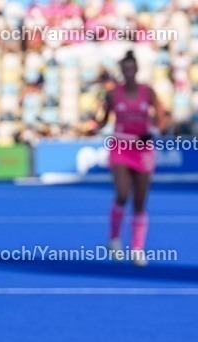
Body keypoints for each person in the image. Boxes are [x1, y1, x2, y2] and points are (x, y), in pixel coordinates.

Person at [90, 50, 167, 267]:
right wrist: (92, 125)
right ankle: (114, 239)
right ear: (122, 71)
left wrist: (153, 131)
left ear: (137, 70)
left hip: (142, 149)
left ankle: (137, 248)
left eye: (132, 68)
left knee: (140, 201)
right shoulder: (113, 94)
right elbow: (102, 119)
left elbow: (162, 117)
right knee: (122, 193)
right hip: (120, 147)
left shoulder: (148, 92)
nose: (129, 72)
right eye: (125, 69)